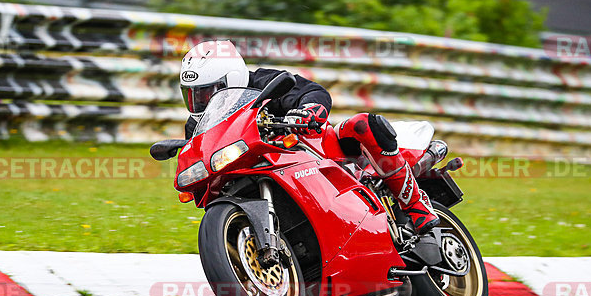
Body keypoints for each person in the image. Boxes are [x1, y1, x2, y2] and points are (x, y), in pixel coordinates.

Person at [179, 40, 439, 234]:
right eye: (192, 95)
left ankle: (416, 206)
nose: (200, 102)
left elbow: (312, 91)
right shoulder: (198, 126)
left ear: (232, 79)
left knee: (361, 125)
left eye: (207, 93)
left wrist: (306, 111)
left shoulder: (264, 83)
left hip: (312, 151)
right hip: (252, 174)